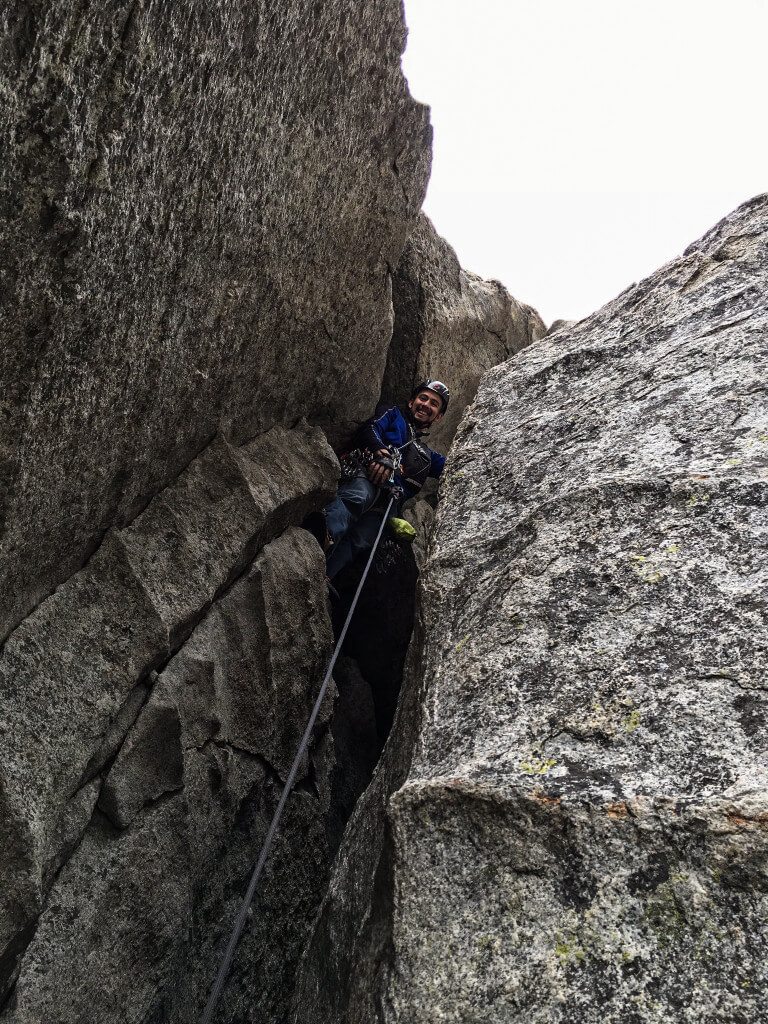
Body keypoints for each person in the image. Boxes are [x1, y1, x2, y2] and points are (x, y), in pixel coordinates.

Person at [323, 380, 450, 582]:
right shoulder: (393, 414)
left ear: (439, 416)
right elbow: (370, 428)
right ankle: (324, 535)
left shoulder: (427, 455)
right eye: (423, 398)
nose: (426, 405)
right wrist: (381, 453)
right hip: (369, 475)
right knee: (358, 497)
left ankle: (327, 574)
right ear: (411, 402)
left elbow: (452, 467)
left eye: (434, 404)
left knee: (362, 539)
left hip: (388, 505)